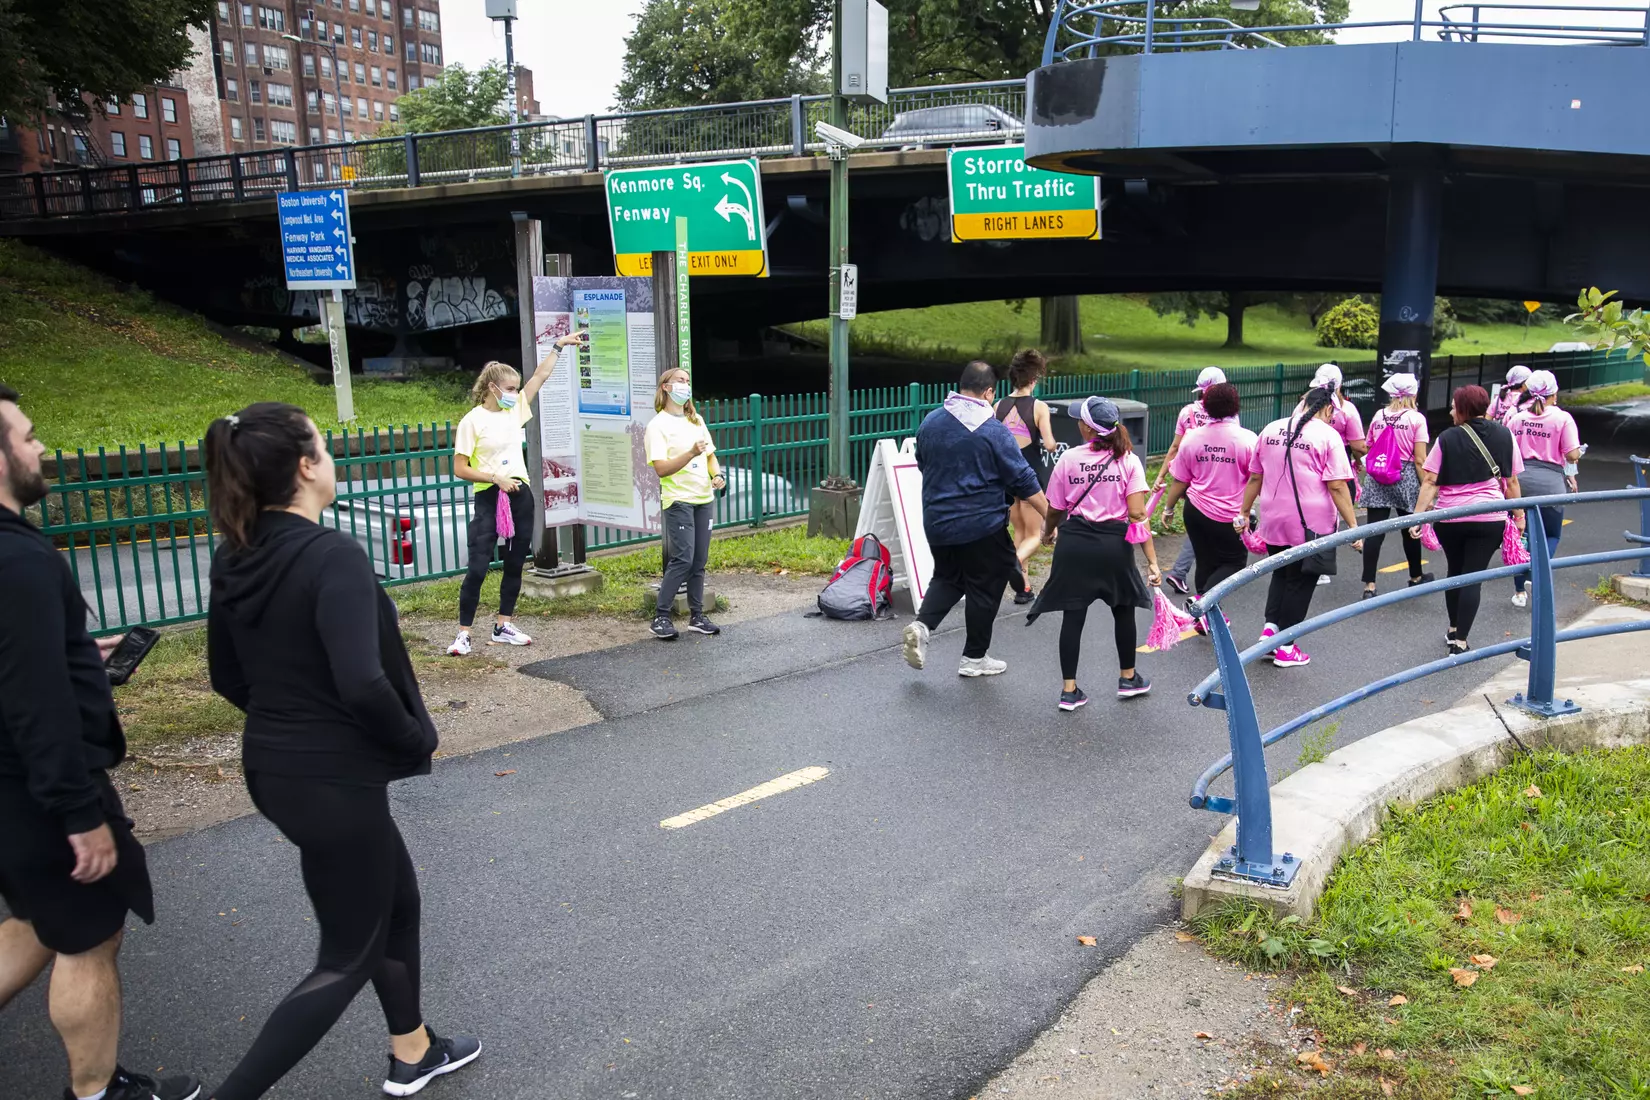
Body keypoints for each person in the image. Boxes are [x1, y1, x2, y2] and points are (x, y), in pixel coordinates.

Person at [205, 403, 479, 1100]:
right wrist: (412, 738)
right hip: (328, 779)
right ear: (305, 466)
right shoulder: (333, 556)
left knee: (398, 899)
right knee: (344, 956)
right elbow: (363, 682)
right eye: (322, 446)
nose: (329, 456)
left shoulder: (236, 552)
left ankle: (412, 1051)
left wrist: (294, 727)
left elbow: (226, 676)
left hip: (275, 768)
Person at [0, 384, 202, 1100]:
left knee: (35, 918)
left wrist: (78, 653)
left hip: (14, 789)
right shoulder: (17, 561)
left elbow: (18, 664)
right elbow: (34, 701)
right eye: (25, 436)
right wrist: (78, 811)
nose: (39, 446)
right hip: (38, 789)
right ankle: (96, 1092)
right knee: (89, 936)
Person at [902, 360, 1048, 677]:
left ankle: (922, 627)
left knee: (949, 577)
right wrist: (1051, 516)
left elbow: (923, 463)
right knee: (987, 584)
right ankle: (973, 658)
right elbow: (1023, 478)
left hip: (937, 521)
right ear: (988, 392)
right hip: (981, 524)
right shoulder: (993, 430)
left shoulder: (931, 422)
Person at [448, 334, 584, 657]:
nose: (514, 393)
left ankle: (502, 625)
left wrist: (559, 345)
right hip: (490, 496)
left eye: (515, 388)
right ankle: (463, 633)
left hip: (519, 495)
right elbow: (460, 468)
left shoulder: (515, 411)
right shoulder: (472, 421)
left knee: (514, 563)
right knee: (478, 566)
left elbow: (540, 376)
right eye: (509, 388)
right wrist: (494, 476)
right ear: (492, 388)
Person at [1028, 397, 1161, 710]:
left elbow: (1055, 509)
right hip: (1115, 546)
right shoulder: (1128, 460)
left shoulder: (1070, 459)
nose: (1077, 423)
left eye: (1079, 419)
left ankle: (1069, 690)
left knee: (1073, 615)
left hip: (1075, 543)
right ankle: (1128, 678)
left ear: (1087, 427)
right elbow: (1138, 514)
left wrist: (1047, 533)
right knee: (1123, 609)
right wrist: (1153, 562)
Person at [1239, 385, 1361, 668]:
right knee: (1302, 581)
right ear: (1328, 408)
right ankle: (1286, 646)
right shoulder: (1328, 436)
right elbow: (1338, 485)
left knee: (1281, 574)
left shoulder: (1271, 429)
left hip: (1272, 517)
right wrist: (1354, 526)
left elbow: (1255, 477)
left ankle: (1270, 631)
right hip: (1311, 522)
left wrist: (1245, 511)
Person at [1414, 385, 1524, 654]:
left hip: (1451, 517)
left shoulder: (1447, 438)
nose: (1451, 411)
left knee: (1455, 571)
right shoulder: (1504, 434)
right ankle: (1461, 640)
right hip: (1489, 517)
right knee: (1472, 577)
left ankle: (1452, 628)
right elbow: (1511, 480)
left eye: (1453, 406)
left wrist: (1417, 517)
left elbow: (1430, 480)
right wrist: (1519, 515)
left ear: (1463, 409)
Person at [1158, 382, 1257, 632]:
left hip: (1195, 511)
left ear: (1206, 406)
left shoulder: (1193, 438)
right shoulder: (1246, 439)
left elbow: (1180, 479)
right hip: (1228, 515)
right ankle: (1203, 603)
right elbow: (1255, 477)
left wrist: (1168, 508)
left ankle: (1209, 616)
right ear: (1235, 406)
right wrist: (1247, 511)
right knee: (1234, 563)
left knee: (1205, 561)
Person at [644, 367, 725, 641]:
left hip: (703, 498)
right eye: (680, 381)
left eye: (688, 381)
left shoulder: (696, 419)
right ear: (666, 387)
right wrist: (689, 453)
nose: (685, 386)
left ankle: (697, 616)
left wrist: (717, 475)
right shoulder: (657, 426)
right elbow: (661, 469)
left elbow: (710, 455)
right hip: (678, 500)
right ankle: (661, 616)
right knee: (683, 559)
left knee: (699, 561)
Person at [1505, 369, 1580, 608]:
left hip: (1520, 482)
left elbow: (1506, 451)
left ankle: (1519, 590)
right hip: (1550, 482)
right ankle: (1535, 574)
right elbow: (1572, 454)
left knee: (1521, 536)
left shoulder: (1517, 418)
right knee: (1551, 534)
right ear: (1553, 394)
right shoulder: (1562, 419)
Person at [1358, 373, 1434, 598]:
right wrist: (1425, 489)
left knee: (1374, 530)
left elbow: (1368, 445)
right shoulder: (1416, 419)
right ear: (1414, 393)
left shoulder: (1379, 415)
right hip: (1406, 476)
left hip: (1379, 475)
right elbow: (1420, 459)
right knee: (1410, 529)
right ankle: (1416, 576)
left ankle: (1369, 584)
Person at [1293, 363, 1367, 587]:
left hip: (1305, 460)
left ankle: (1303, 555)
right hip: (1337, 460)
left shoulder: (1302, 406)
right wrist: (1357, 460)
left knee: (1306, 507)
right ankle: (1322, 562)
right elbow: (1358, 445)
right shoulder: (1347, 409)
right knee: (1330, 511)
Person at [1154, 366, 1226, 595]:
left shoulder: (1187, 412)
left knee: (1201, 526)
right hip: (1215, 473)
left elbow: (1176, 446)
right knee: (1210, 526)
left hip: (1188, 475)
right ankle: (1184, 573)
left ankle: (1186, 572)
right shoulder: (1226, 412)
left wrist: (1161, 474)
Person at [994, 348, 1058, 605]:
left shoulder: (998, 405)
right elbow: (1050, 442)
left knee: (1018, 531)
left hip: (1004, 477)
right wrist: (1048, 444)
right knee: (1034, 536)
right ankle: (1012, 564)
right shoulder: (1038, 406)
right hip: (1029, 474)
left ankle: (1024, 588)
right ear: (1034, 379)